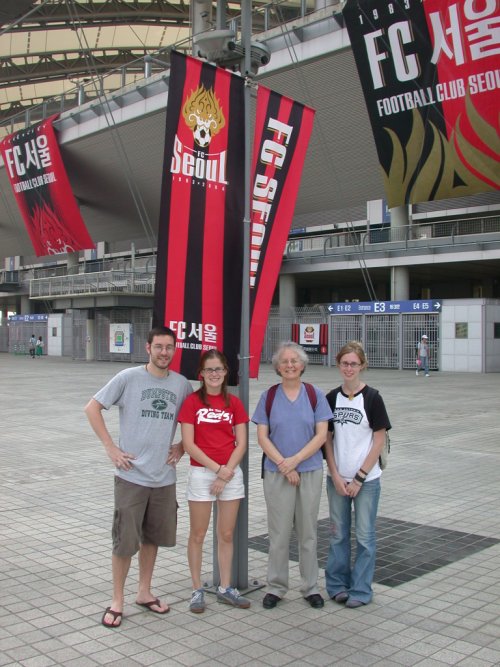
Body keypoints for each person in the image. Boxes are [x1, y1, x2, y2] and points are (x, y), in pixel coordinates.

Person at [84, 325, 192, 628]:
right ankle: (117, 600)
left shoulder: (181, 384)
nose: (164, 352)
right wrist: (111, 448)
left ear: (174, 349)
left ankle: (144, 592)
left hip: (164, 478)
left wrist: (183, 445)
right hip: (131, 476)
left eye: (169, 347)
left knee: (151, 538)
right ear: (148, 348)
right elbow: (92, 408)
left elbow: (192, 418)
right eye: (158, 347)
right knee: (124, 542)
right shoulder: (128, 378)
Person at [252, 341, 333, 610]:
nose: (289, 365)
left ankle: (310, 587)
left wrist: (295, 462)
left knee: (308, 532)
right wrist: (283, 465)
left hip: (309, 471)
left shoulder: (314, 395)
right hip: (276, 473)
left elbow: (322, 435)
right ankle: (276, 586)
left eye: (294, 361)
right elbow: (262, 436)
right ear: (277, 367)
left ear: (302, 365)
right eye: (284, 361)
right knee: (279, 533)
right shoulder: (269, 396)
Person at [178, 350, 251, 613]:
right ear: (201, 373)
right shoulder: (192, 403)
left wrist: (226, 471)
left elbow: (241, 442)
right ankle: (197, 589)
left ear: (225, 372)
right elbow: (189, 443)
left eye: (219, 369)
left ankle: (226, 587)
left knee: (226, 534)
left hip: (230, 473)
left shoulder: (234, 403)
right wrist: (216, 469)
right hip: (202, 473)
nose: (214, 374)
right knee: (198, 534)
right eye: (209, 370)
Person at [324, 341, 391, 608]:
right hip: (337, 479)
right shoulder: (331, 398)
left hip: (367, 481)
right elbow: (326, 439)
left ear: (362, 365)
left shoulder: (373, 397)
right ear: (338, 364)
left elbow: (378, 440)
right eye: (344, 363)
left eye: (353, 363)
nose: (349, 368)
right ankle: (337, 584)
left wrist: (360, 477)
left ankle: (361, 589)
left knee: (365, 536)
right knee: (338, 534)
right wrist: (336, 475)